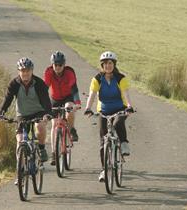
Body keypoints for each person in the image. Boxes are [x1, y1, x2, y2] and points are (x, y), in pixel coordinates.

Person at [0, 57, 52, 183]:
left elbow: (45, 100)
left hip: (38, 112)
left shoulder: (39, 83)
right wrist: (1, 112)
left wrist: (47, 114)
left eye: (27, 71)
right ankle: (20, 172)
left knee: (39, 127)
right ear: (18, 71)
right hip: (22, 115)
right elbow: (7, 99)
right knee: (20, 141)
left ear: (32, 71)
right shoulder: (14, 84)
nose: (25, 73)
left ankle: (42, 148)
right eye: (22, 71)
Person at [84, 51, 134, 182]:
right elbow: (92, 94)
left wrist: (129, 106)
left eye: (110, 63)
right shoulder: (97, 79)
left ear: (114, 64)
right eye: (105, 63)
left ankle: (123, 143)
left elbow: (126, 93)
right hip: (103, 111)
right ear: (102, 65)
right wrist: (88, 108)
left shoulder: (120, 78)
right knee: (102, 142)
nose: (108, 66)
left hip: (120, 109)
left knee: (117, 123)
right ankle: (104, 170)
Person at [44, 51, 81, 165]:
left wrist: (77, 103)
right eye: (56, 64)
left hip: (67, 97)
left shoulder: (69, 72)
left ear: (64, 65)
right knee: (54, 124)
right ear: (52, 64)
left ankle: (71, 129)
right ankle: (54, 153)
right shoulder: (49, 72)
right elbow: (44, 89)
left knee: (68, 108)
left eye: (60, 65)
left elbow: (74, 89)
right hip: (54, 99)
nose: (58, 67)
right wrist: (43, 104)